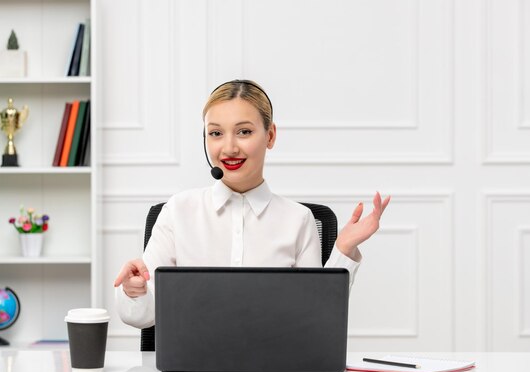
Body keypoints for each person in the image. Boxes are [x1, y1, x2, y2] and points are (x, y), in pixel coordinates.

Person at [114, 79, 390, 329]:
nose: (229, 148)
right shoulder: (178, 211)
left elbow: (315, 318)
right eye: (216, 133)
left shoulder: (299, 219)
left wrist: (344, 249)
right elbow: (143, 315)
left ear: (270, 136)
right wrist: (134, 290)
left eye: (244, 132)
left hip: (275, 370)